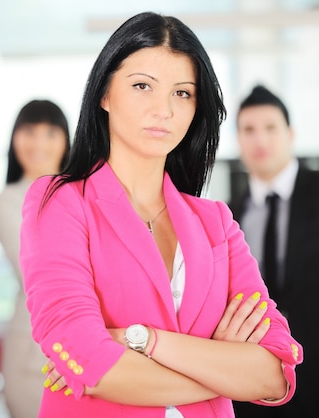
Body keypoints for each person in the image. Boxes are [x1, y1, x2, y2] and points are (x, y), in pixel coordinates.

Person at [19, 12, 302, 418]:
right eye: (141, 86)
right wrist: (223, 368)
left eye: (182, 93)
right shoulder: (59, 203)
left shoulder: (216, 222)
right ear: (104, 94)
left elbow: (275, 373)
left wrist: (144, 341)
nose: (164, 110)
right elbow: (91, 365)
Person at [229, 85, 317, 417]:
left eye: (270, 128)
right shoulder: (227, 216)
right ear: (238, 140)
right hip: (253, 388)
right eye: (249, 130)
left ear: (291, 133)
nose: (260, 141)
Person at [0, 99, 70, 418]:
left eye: (50, 132)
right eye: (29, 132)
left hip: (92, 343)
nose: (39, 142)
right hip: (31, 354)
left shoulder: (86, 192)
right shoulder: (8, 201)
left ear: (67, 140)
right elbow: (36, 271)